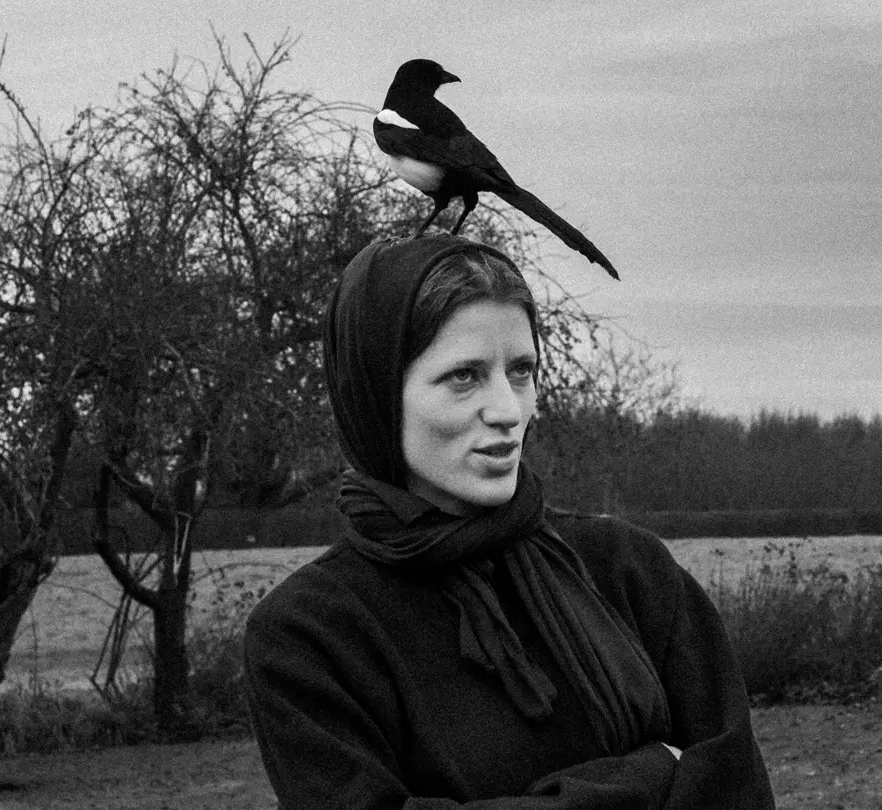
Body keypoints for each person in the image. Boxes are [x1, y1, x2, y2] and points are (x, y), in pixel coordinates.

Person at [243, 234, 775, 808]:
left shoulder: (629, 570)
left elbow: (734, 787)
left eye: (521, 371)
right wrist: (645, 778)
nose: (508, 411)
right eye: (464, 376)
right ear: (375, 395)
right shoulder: (309, 636)